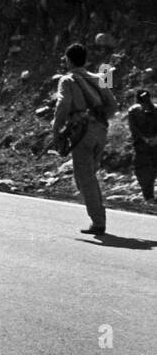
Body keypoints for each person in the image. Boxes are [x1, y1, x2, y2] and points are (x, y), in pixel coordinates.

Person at [53, 41, 118, 235]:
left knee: (84, 178)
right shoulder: (99, 77)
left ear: (68, 60)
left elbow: (63, 106)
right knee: (89, 174)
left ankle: (98, 221)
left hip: (82, 133)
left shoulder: (67, 80)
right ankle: (98, 214)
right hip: (101, 131)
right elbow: (113, 105)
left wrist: (56, 130)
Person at [127, 89, 157, 203]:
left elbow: (134, 130)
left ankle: (149, 197)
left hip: (141, 147)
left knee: (144, 172)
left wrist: (145, 139)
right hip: (155, 145)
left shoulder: (133, 110)